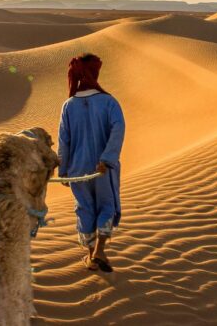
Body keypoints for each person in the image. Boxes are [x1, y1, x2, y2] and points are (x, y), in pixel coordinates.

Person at [57, 53, 125, 273]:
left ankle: (90, 256)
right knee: (106, 206)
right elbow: (118, 129)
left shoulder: (68, 105)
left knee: (85, 208)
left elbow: (63, 141)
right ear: (94, 73)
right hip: (102, 169)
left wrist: (64, 170)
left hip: (78, 171)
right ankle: (100, 251)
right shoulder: (109, 102)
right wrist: (107, 159)